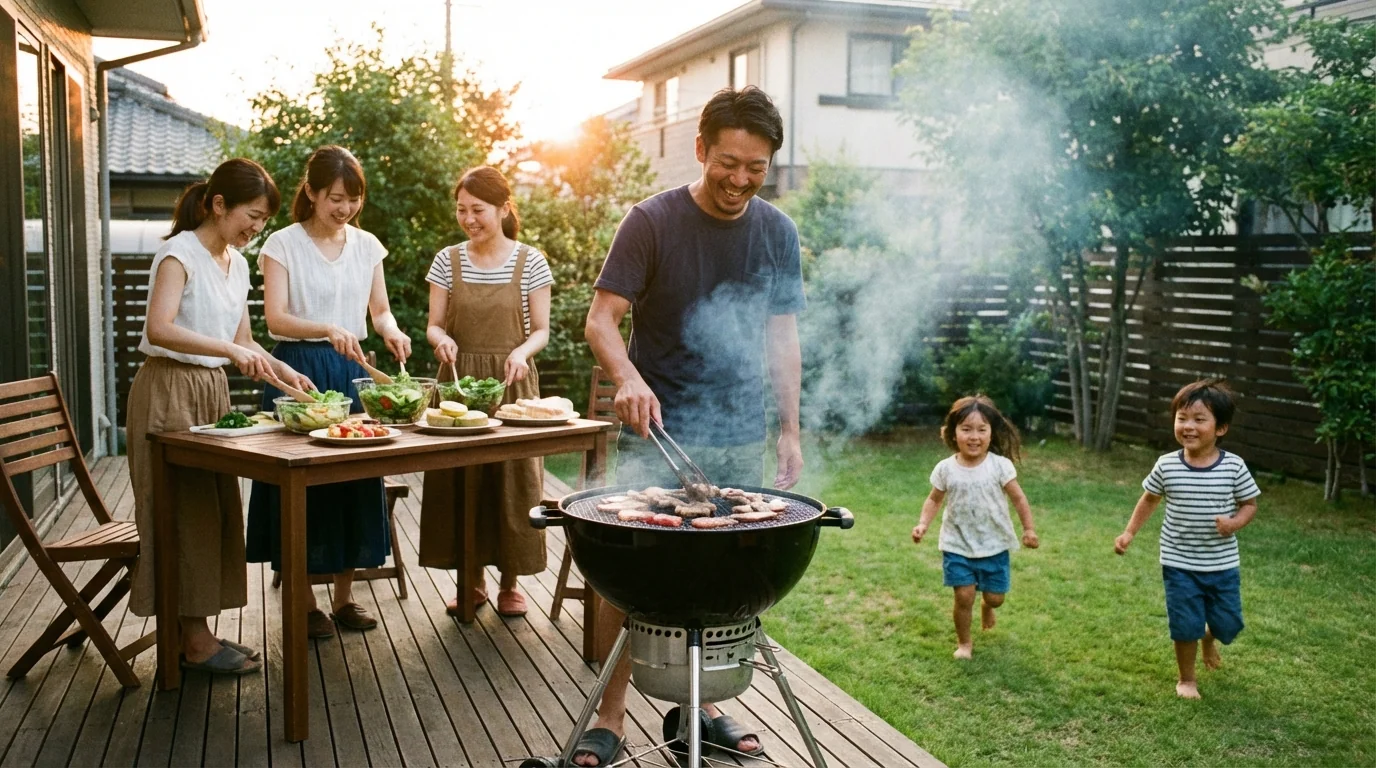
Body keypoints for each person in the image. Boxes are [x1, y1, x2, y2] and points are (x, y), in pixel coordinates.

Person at [567, 86, 807, 768]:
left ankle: (697, 711)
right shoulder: (651, 221)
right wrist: (628, 379)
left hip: (737, 427)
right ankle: (610, 717)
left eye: (755, 167)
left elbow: (782, 336)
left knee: (718, 576)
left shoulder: (776, 233)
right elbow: (601, 318)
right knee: (630, 575)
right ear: (700, 149)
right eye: (728, 161)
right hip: (657, 425)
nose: (739, 179)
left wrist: (789, 426)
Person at [127, 158, 312, 675]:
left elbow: (244, 342)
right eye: (251, 215)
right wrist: (230, 355)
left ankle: (199, 633)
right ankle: (193, 641)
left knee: (212, 509)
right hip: (168, 389)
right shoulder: (178, 253)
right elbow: (160, 329)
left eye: (263, 219)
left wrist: (284, 376)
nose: (256, 227)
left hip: (211, 391)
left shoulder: (237, 262)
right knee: (183, 511)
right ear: (218, 204)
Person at [245, 145, 411, 638]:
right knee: (304, 489)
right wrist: (327, 329)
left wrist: (390, 330)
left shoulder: (367, 246)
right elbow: (275, 319)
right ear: (313, 193)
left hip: (353, 371)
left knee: (357, 482)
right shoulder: (282, 244)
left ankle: (344, 597)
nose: (344, 208)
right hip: (298, 371)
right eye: (336, 197)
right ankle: (305, 600)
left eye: (353, 199)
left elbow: (378, 310)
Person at [419, 166, 553, 618]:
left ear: (502, 208)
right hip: (458, 382)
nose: (469, 218)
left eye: (478, 209)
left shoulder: (530, 261)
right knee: (461, 480)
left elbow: (542, 332)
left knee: (513, 483)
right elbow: (434, 324)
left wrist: (521, 352)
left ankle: (511, 583)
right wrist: (441, 340)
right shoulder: (447, 260)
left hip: (512, 381)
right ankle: (470, 579)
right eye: (462, 209)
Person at [1114, 378, 1260, 699]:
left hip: (1221, 564)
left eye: (1198, 419)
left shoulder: (1233, 467)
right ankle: (1187, 679)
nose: (1188, 426)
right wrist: (1129, 532)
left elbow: (1250, 505)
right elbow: (1149, 499)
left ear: (1220, 428)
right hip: (1178, 561)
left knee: (1229, 626)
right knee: (1184, 624)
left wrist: (1234, 522)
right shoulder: (1167, 465)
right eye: (1182, 419)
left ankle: (1210, 637)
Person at [911, 395, 1040, 660]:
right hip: (956, 543)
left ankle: (988, 606)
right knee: (963, 595)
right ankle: (965, 644)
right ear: (952, 432)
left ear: (991, 433)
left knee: (995, 598)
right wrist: (923, 524)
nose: (974, 436)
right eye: (966, 429)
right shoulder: (946, 469)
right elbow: (934, 499)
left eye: (982, 429)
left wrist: (1029, 529)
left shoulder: (1000, 466)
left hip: (994, 544)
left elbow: (1018, 498)